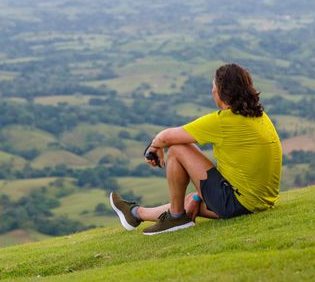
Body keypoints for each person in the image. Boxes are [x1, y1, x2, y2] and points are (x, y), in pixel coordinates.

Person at [110, 63, 282, 235]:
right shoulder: (259, 116)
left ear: (221, 92)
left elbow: (167, 137)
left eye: (213, 87)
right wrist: (197, 195)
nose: (212, 92)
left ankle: (176, 218)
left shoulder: (223, 121)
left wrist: (155, 146)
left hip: (239, 203)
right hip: (258, 203)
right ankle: (135, 213)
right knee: (189, 200)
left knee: (177, 149)